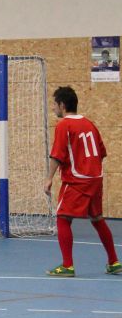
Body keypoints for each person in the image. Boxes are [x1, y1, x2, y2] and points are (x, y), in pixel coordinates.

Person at [44, 86, 120, 277]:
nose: (53, 108)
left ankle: (67, 265)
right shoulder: (89, 124)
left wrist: (48, 179)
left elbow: (57, 156)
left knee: (62, 218)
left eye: (54, 104)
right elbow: (101, 152)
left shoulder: (64, 125)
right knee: (97, 218)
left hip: (77, 180)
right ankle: (114, 262)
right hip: (95, 178)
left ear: (62, 105)